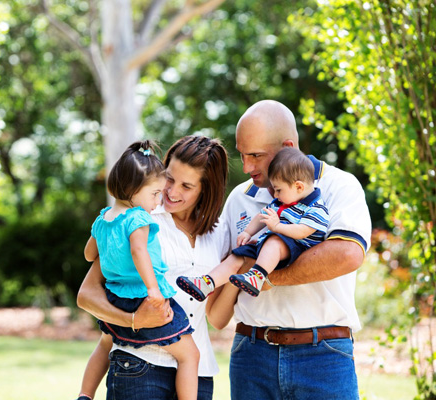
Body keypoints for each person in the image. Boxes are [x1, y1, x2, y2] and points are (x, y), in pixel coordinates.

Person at [206, 100, 372, 400]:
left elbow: (347, 255)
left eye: (256, 155)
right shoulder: (239, 198)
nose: (247, 168)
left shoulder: (340, 186)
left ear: (288, 145)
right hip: (250, 355)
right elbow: (217, 310)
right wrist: (237, 274)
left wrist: (264, 278)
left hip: (323, 356)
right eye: (242, 155)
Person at [76, 135, 230, 400]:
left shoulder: (218, 233)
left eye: (187, 186)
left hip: (198, 373)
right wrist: (134, 321)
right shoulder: (138, 219)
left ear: (206, 189)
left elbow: (217, 317)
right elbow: (86, 295)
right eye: (168, 179)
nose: (171, 192)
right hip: (140, 366)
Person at [176, 147, 329, 299]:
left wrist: (277, 227)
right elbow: (261, 216)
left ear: (299, 186)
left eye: (279, 190)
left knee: (274, 241)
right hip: (272, 244)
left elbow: (303, 231)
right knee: (238, 255)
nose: (275, 195)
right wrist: (248, 232)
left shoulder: (316, 207)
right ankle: (207, 283)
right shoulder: (281, 203)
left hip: (297, 248)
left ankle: (256, 277)